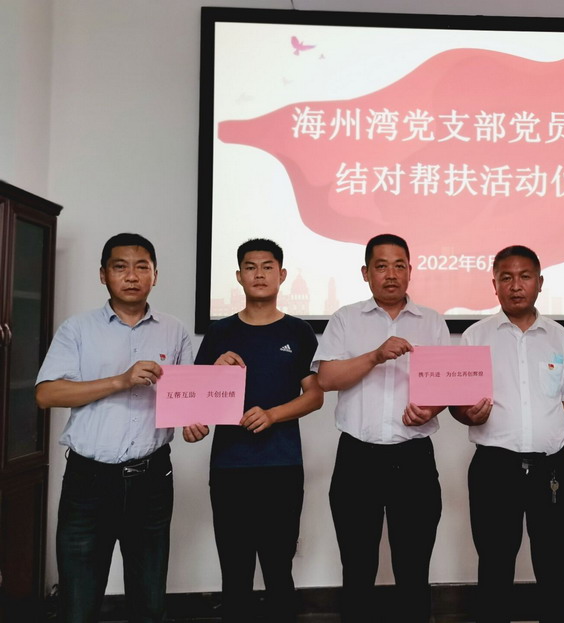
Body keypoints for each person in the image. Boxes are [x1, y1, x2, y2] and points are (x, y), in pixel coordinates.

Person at [35, 233, 193, 623]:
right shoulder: (77, 329)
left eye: (142, 267)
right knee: (78, 602)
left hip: (152, 479)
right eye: (120, 267)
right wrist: (120, 381)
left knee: (150, 601)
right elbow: (46, 393)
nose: (132, 276)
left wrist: (195, 416)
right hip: (88, 481)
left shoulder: (174, 330)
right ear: (103, 274)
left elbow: (185, 396)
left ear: (155, 275)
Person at [312, 233, 450, 623]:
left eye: (399, 265)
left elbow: (446, 385)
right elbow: (326, 378)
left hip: (414, 458)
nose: (391, 274)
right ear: (366, 273)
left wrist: (431, 409)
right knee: (357, 568)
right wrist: (375, 355)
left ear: (410, 271)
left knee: (414, 569)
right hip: (358, 458)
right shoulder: (346, 319)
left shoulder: (432, 321)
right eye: (381, 266)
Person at [182, 239, 323, 622]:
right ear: (239, 275)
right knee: (235, 571)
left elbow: (315, 396)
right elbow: (196, 400)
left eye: (267, 266)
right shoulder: (220, 332)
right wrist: (196, 417)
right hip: (230, 466)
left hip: (282, 466)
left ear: (282, 274)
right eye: (250, 267)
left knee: (279, 569)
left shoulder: (299, 331)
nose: (259, 274)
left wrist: (273, 415)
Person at [450, 245, 564, 623]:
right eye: (507, 278)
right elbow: (458, 407)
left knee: (554, 565)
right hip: (494, 468)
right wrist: (467, 414)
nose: (516, 286)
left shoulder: (559, 337)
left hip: (553, 469)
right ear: (494, 284)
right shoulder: (476, 336)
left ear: (539, 283)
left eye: (525, 277)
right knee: (495, 566)